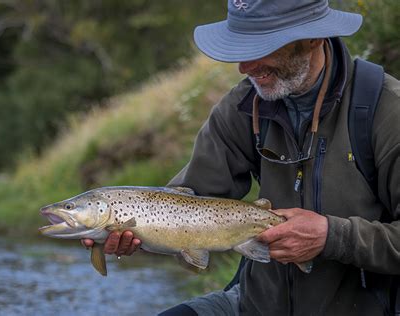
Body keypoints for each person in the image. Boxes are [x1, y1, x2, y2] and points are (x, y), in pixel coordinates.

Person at [82, 0, 400, 314]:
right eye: (239, 47)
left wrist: (333, 237)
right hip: (255, 305)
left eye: (261, 45)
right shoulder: (243, 106)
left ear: (313, 38)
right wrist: (138, 229)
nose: (244, 67)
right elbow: (191, 200)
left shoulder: (385, 111)